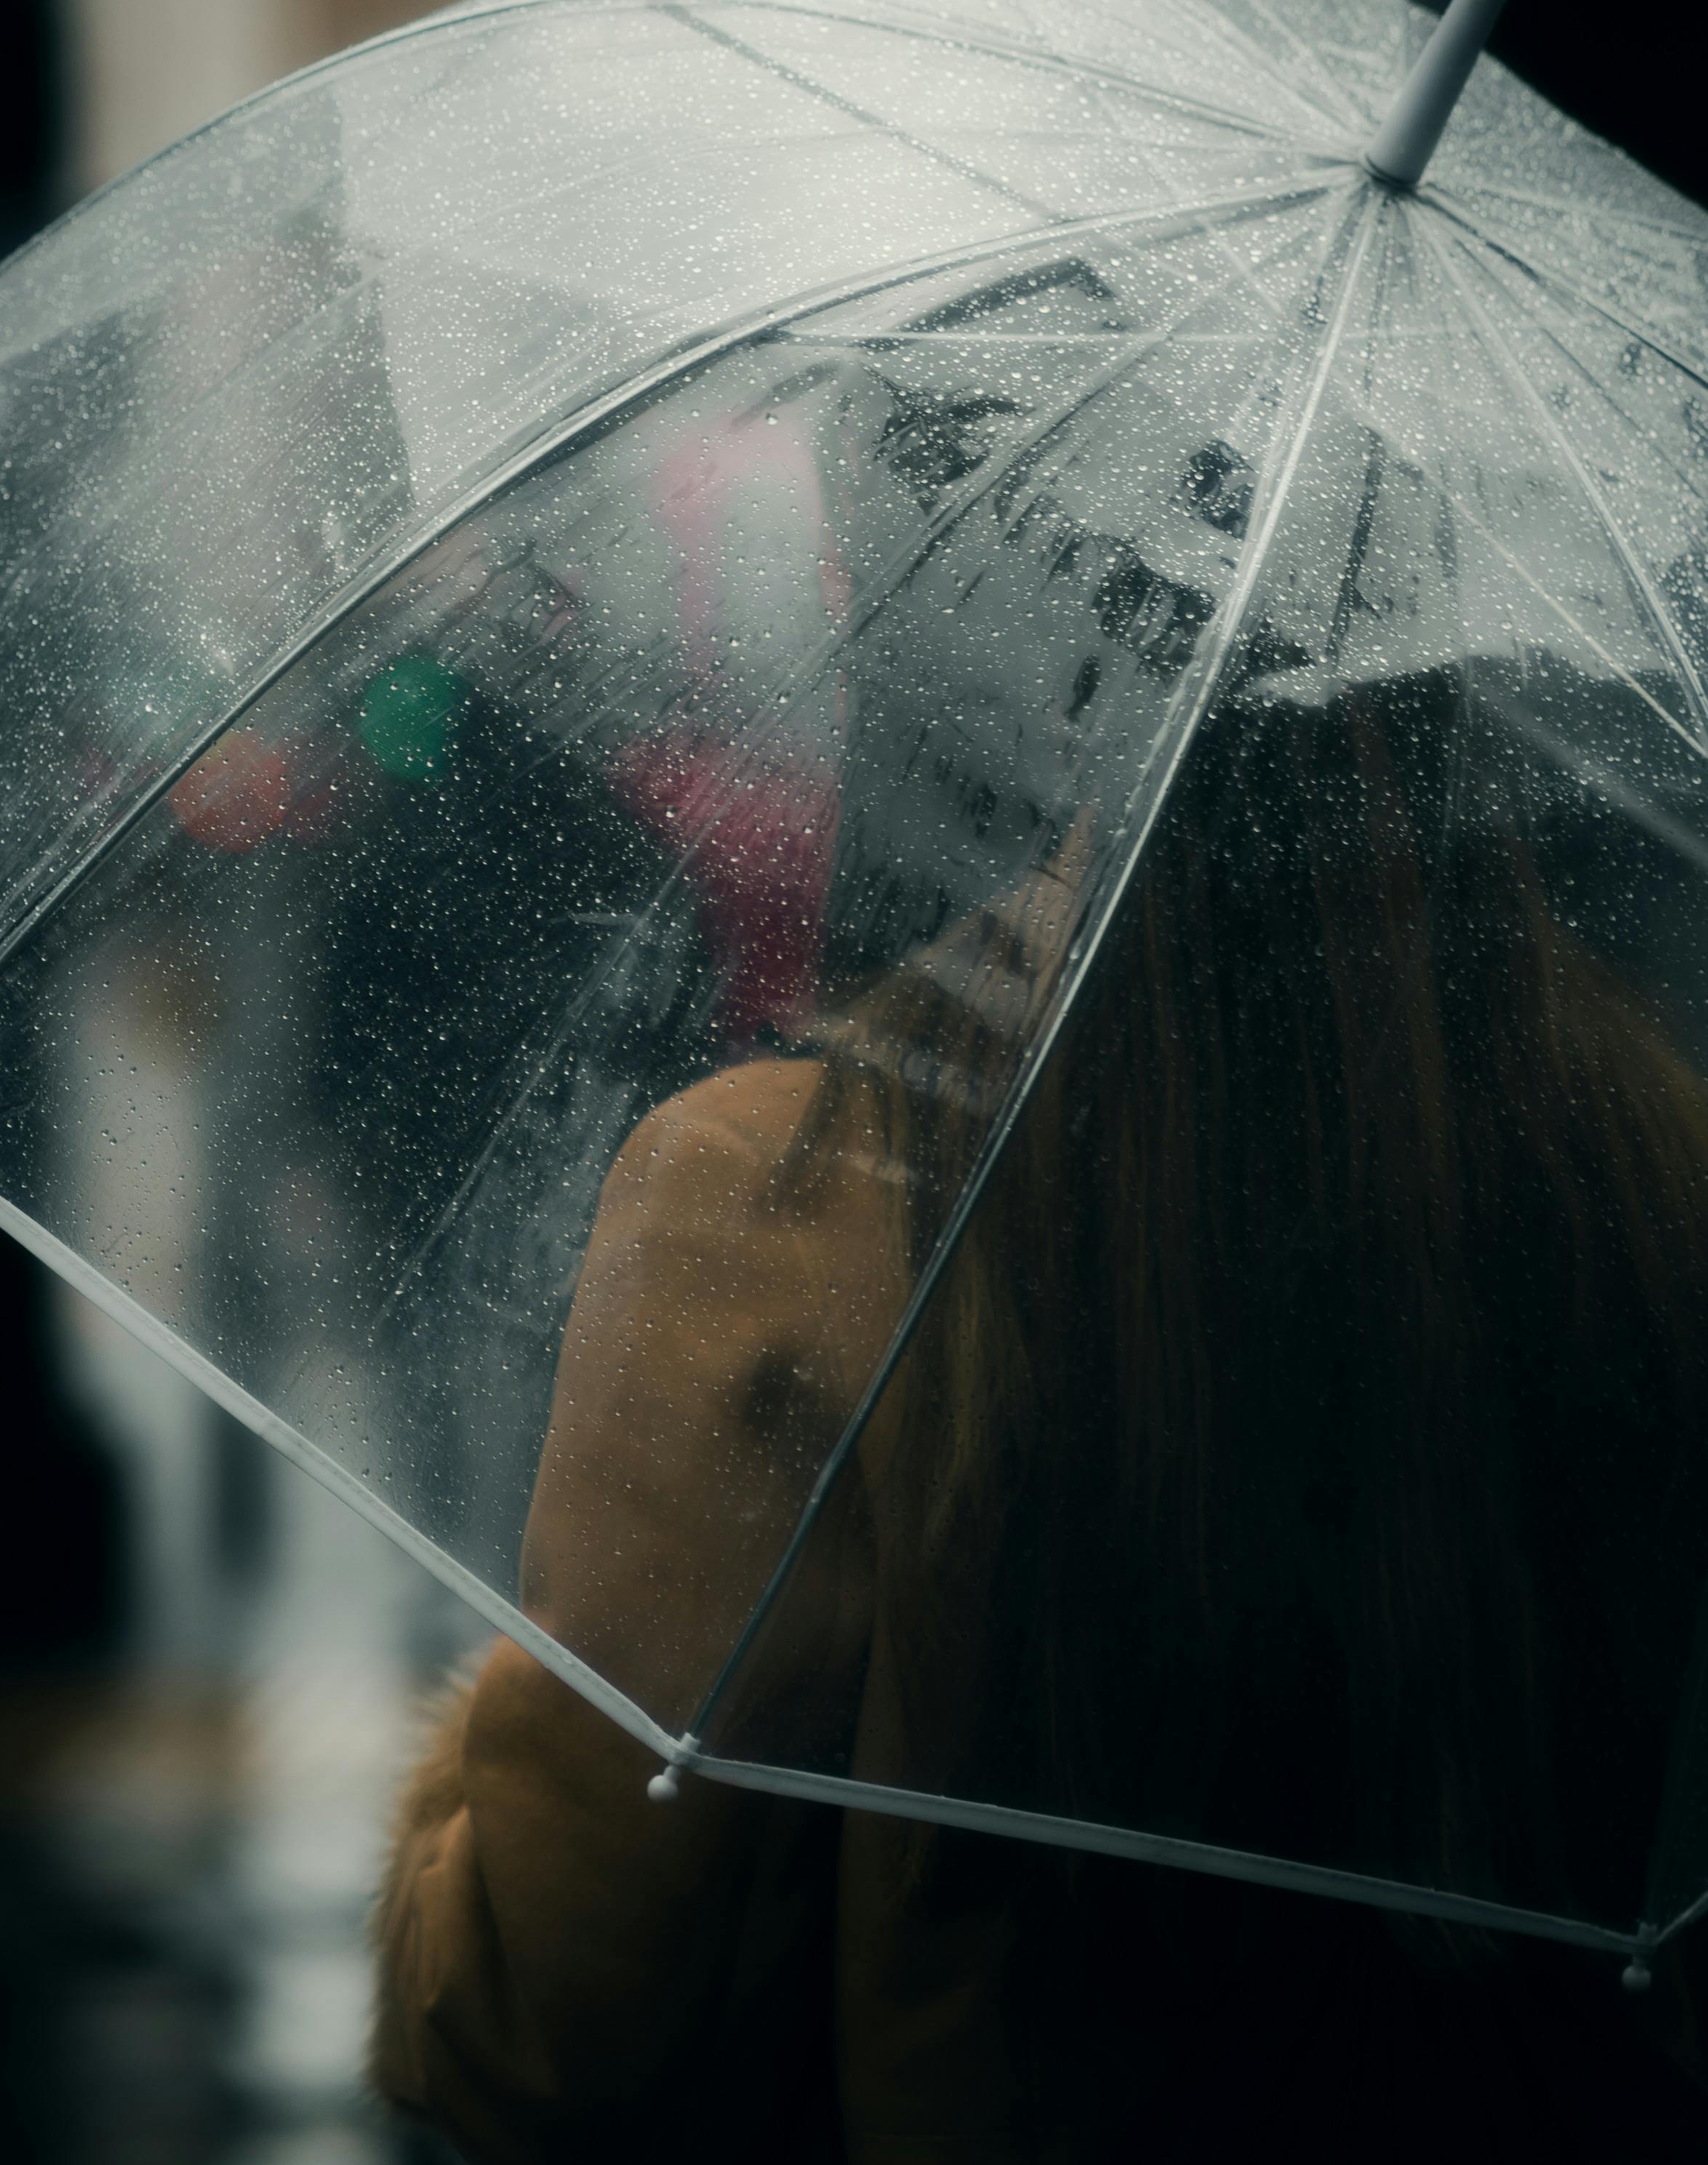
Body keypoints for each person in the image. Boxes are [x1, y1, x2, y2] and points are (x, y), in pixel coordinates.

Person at [370, 669, 1708, 2161]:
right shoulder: (1655, 1184)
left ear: (1068, 658)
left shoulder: (796, 1194)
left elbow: (540, 2026)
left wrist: (497, 1732)